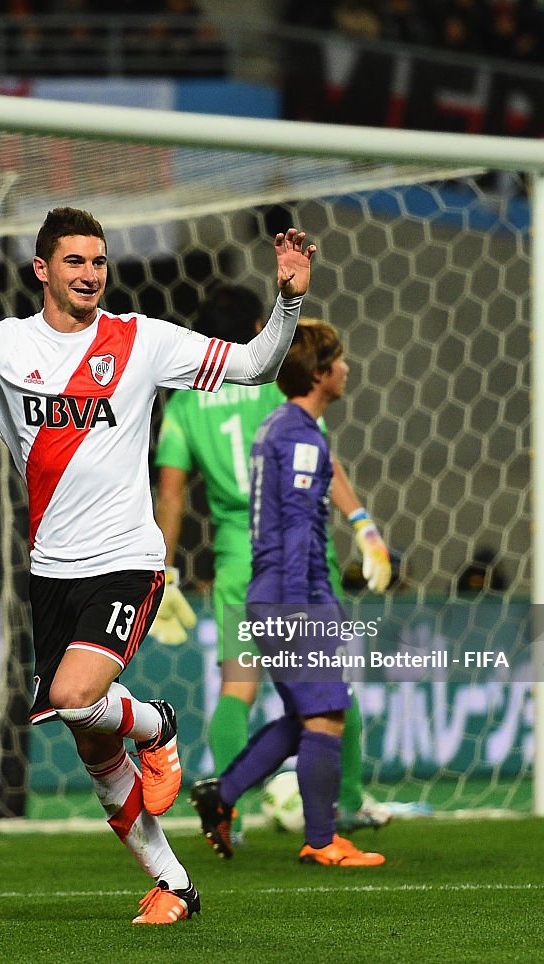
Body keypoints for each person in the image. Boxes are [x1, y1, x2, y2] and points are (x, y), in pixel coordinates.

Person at [0, 199, 315, 923]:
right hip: (51, 572)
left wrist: (288, 301)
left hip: (126, 559)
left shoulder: (142, 341)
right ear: (42, 270)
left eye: (98, 261)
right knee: (96, 754)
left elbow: (254, 366)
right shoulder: (1, 346)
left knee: (72, 696)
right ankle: (174, 883)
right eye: (75, 261)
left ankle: (158, 724)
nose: (91, 273)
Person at [151, 291, 393, 837]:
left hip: (239, 562)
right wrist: (364, 528)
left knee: (237, 689)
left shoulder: (187, 404)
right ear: (260, 326)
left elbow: (171, 496)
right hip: (301, 561)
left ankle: (227, 811)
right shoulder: (281, 390)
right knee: (330, 691)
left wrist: (163, 571)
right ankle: (342, 808)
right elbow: (325, 467)